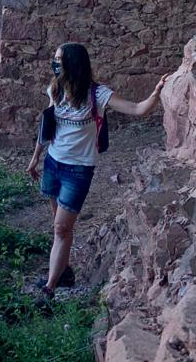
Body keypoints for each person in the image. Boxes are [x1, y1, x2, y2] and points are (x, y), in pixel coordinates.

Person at [27, 42, 168, 301]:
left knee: (61, 228)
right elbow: (47, 125)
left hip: (78, 171)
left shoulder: (97, 94)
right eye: (54, 59)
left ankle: (48, 289)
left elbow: (138, 109)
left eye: (59, 60)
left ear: (73, 63)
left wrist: (156, 93)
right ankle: (65, 271)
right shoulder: (55, 89)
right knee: (59, 226)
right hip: (53, 163)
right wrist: (35, 157)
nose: (55, 64)